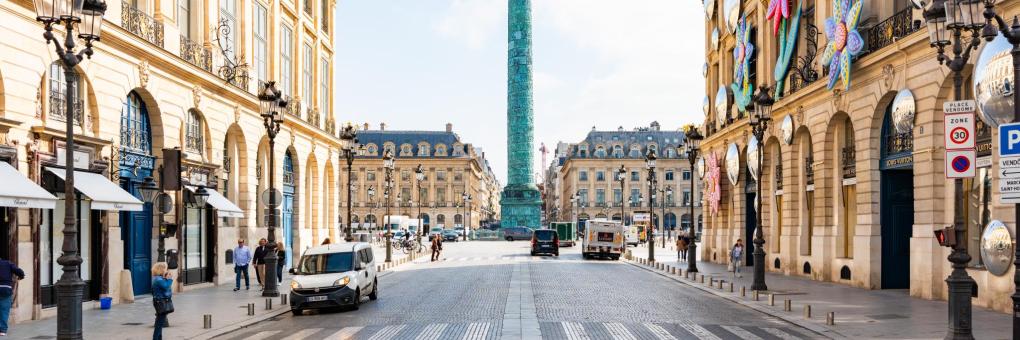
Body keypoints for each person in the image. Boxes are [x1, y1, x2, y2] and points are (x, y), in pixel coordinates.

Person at [0, 257, 23, 337]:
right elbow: (20, 271)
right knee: (4, 310)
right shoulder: (8, 263)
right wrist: (21, 276)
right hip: (5, 289)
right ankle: (2, 330)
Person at [151, 262, 173, 340]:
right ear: (161, 269)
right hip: (161, 302)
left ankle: (159, 338)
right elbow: (166, 286)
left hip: (159, 301)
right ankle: (156, 338)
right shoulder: (158, 279)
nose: (166, 270)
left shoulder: (158, 278)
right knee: (159, 323)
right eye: (165, 268)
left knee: (160, 322)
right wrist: (170, 279)